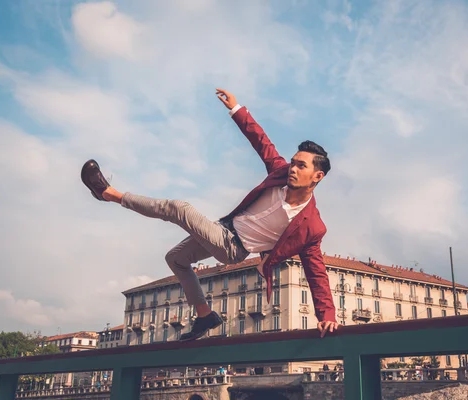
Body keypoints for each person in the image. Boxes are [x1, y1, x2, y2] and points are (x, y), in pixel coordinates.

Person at [81, 88, 339, 341]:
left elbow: (315, 271)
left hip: (233, 247)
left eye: (301, 166)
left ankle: (109, 194)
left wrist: (327, 314)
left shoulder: (311, 227)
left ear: (317, 176)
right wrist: (237, 110)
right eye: (293, 162)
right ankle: (205, 315)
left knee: (178, 209)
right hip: (223, 228)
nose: (293, 168)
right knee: (176, 258)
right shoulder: (281, 172)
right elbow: (262, 142)